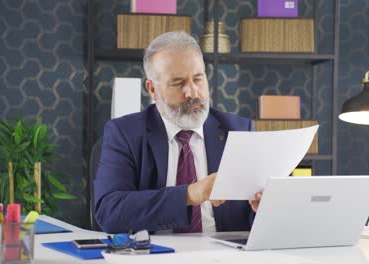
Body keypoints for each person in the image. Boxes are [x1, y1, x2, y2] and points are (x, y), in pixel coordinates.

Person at [94, 31, 261, 234]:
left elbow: (251, 220)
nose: (192, 92)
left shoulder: (239, 131)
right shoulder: (124, 133)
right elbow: (109, 212)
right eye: (178, 83)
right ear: (153, 90)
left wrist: (262, 210)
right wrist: (189, 195)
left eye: (198, 79)